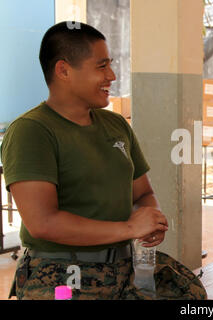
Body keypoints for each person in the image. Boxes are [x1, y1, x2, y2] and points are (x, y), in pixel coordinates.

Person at [1, 22, 169, 300]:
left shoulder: (116, 125)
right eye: (101, 66)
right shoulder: (32, 130)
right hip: (60, 276)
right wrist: (129, 228)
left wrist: (149, 220)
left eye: (110, 65)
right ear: (64, 70)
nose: (112, 76)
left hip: (123, 269)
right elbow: (43, 222)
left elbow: (143, 193)